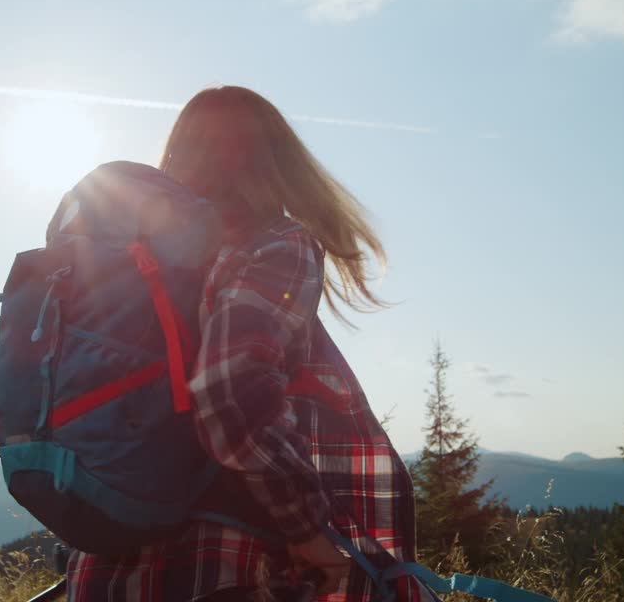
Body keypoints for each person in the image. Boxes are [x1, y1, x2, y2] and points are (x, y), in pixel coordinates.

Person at [65, 86, 427, 602]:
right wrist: (306, 529)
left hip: (108, 564)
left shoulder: (130, 261)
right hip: (222, 565)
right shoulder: (274, 242)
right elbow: (229, 389)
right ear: (280, 163)